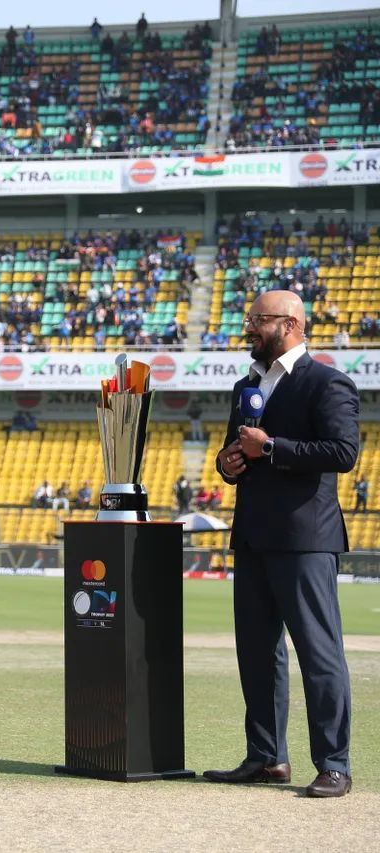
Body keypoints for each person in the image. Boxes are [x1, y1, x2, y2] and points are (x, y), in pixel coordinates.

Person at [204, 291, 358, 798]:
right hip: (251, 537)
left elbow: (342, 451)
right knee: (257, 653)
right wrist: (229, 465)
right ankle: (267, 759)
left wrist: (271, 447)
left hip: (305, 540)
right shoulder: (246, 385)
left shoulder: (327, 382)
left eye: (258, 319)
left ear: (290, 324)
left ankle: (333, 763)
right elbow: (237, 455)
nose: (250, 327)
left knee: (319, 654)